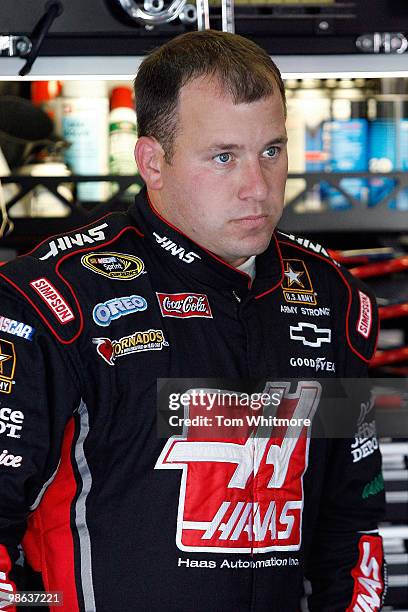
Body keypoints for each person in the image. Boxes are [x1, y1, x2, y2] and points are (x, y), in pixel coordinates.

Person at [0, 30, 386, 611]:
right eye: (223, 157)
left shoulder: (330, 300)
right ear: (153, 161)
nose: (257, 188)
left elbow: (350, 524)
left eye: (272, 151)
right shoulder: (55, 298)